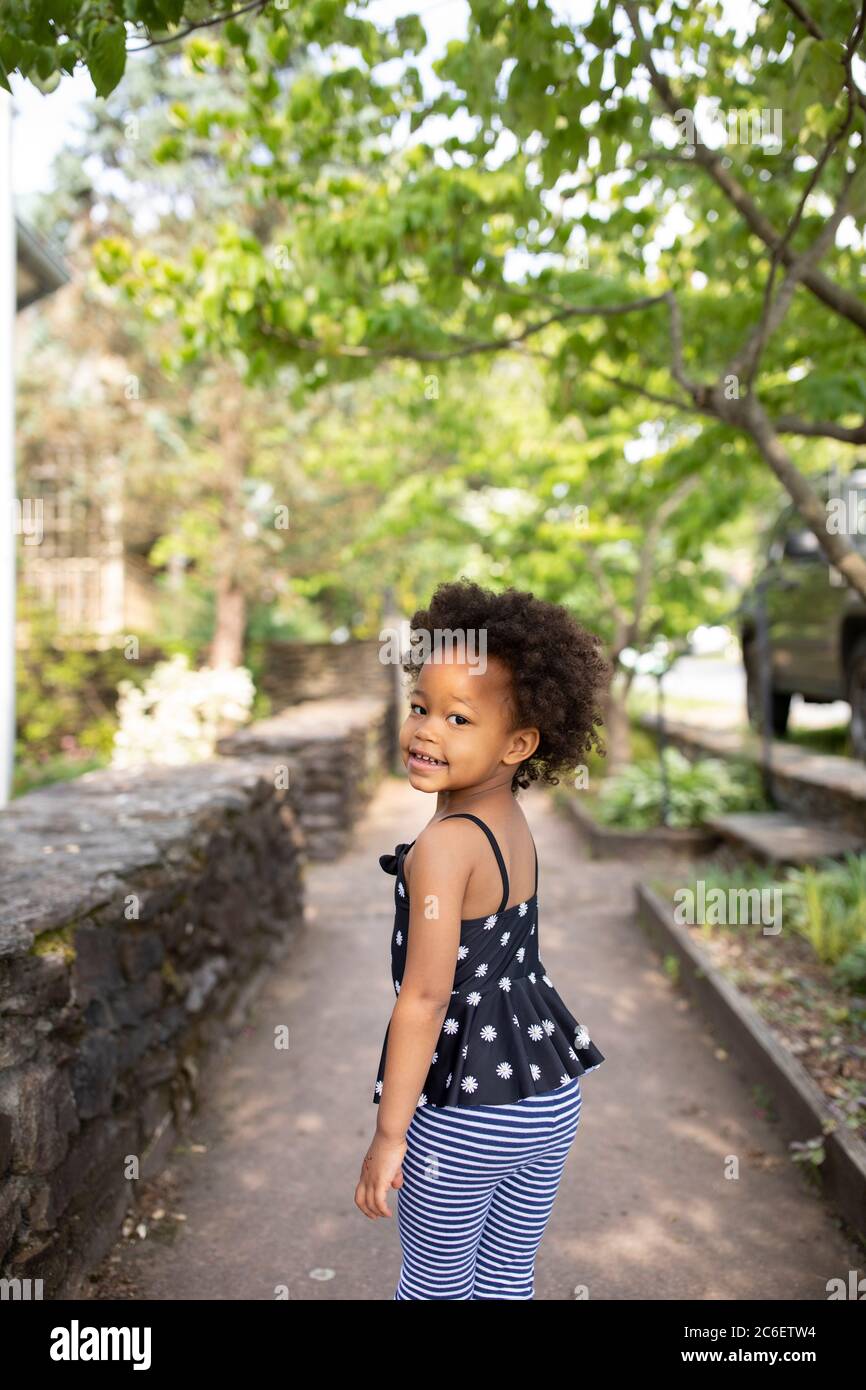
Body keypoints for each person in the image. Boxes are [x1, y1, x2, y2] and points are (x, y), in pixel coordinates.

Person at [354, 577, 611, 1299]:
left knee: (434, 1285)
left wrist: (389, 1136)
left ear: (519, 744)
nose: (427, 730)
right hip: (549, 1091)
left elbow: (427, 999)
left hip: (471, 1104)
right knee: (504, 1276)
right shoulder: (508, 826)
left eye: (459, 719)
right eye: (420, 707)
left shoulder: (443, 847)